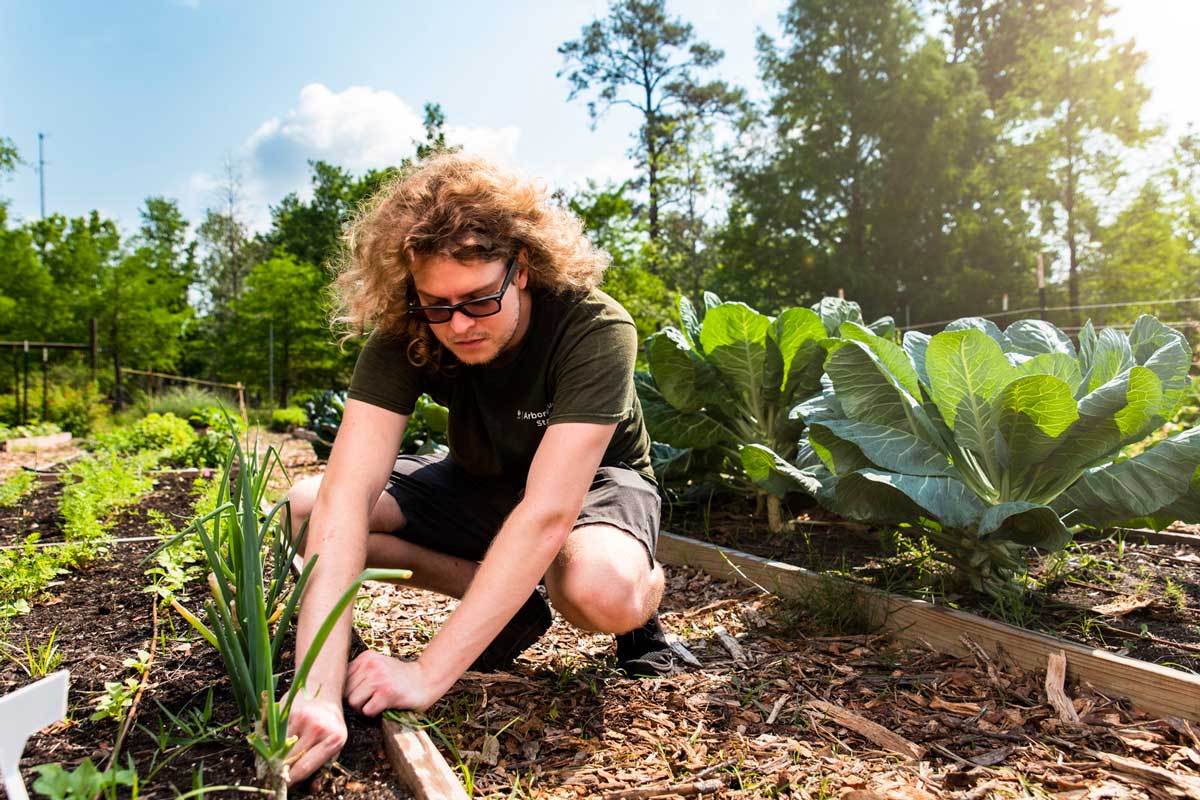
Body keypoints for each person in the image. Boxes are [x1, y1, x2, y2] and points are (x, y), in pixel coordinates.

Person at [283, 152, 681, 784]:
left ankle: (641, 607)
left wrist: (425, 672)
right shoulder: (411, 330)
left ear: (520, 269)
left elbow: (548, 511)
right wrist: (317, 690)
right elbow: (345, 495)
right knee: (304, 510)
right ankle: (511, 600)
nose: (458, 324)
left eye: (476, 299)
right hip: (477, 477)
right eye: (436, 304)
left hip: (591, 485)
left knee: (598, 590)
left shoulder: (592, 326)